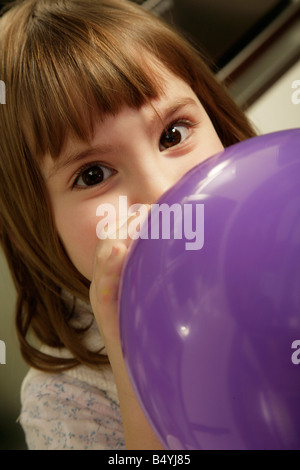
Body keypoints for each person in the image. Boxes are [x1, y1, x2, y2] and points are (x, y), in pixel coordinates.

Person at [0, 0, 256, 450]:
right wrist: (132, 357)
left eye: (173, 134)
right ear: (37, 223)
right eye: (93, 174)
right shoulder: (63, 399)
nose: (163, 193)